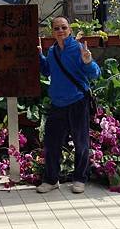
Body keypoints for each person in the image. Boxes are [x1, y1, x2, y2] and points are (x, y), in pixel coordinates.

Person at [36, 16, 100, 194]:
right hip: (57, 104)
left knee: (81, 143)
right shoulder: (53, 51)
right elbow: (48, 70)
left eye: (63, 27)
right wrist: (40, 56)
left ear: (70, 29)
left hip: (78, 102)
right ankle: (51, 180)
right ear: (52, 32)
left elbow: (95, 73)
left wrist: (88, 61)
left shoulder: (78, 49)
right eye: (56, 28)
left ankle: (79, 179)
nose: (60, 31)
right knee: (51, 144)